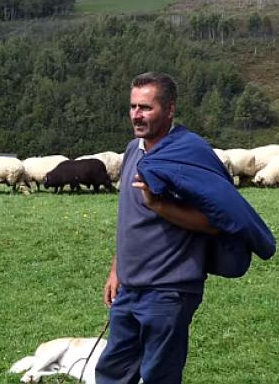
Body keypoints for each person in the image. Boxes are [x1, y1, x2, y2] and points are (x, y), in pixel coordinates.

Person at [94, 72, 220, 384]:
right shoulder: (133, 149)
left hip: (168, 289)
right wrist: (116, 268)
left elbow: (216, 222)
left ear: (170, 109)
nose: (137, 115)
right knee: (112, 372)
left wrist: (161, 206)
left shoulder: (189, 155)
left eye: (146, 108)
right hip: (130, 286)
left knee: (158, 376)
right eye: (133, 106)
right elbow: (130, 217)